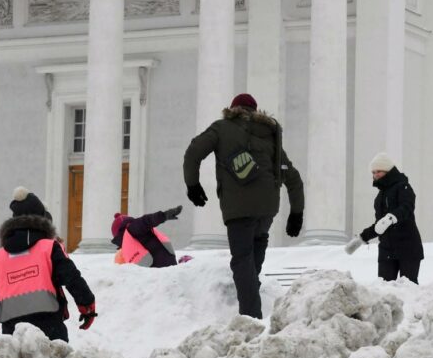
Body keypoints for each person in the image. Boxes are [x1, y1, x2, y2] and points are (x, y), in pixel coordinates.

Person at [183, 93, 305, 319]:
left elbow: (193, 152)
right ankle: (252, 295)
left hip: (238, 208)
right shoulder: (270, 135)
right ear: (255, 110)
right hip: (267, 208)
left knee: (242, 260)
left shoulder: (222, 128)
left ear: (233, 108)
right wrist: (296, 212)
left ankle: (251, 316)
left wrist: (193, 184)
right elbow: (292, 176)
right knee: (254, 253)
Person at [0, 186, 97, 344]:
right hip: (49, 326)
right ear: (42, 220)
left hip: (13, 330)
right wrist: (87, 306)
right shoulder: (49, 247)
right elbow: (71, 277)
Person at [344, 153, 424, 284]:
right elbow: (379, 225)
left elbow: (407, 208)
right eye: (373, 172)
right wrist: (361, 238)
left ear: (388, 171)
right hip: (386, 249)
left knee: (409, 288)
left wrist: (391, 218)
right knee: (383, 290)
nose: (375, 175)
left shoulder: (403, 187)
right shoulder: (380, 197)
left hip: (408, 247)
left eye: (379, 171)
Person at [111, 206, 182, 267]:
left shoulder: (132, 228)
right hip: (165, 266)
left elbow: (146, 221)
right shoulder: (129, 242)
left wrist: (164, 215)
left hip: (159, 269)